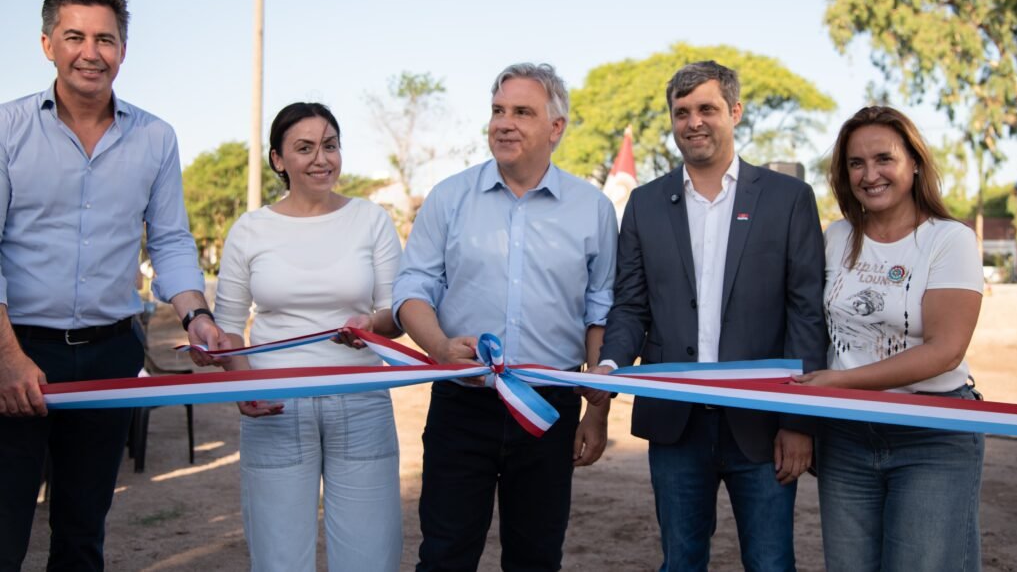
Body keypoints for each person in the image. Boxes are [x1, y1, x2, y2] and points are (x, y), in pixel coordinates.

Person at [0, 0, 225, 571]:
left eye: (106, 39)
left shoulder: (156, 137)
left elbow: (171, 238)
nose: (90, 52)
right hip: (16, 352)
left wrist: (197, 315)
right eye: (75, 36)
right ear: (47, 43)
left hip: (109, 357)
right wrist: (7, 357)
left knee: (82, 530)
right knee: (3, 527)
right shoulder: (5, 129)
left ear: (123, 51)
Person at [585, 60, 828, 571]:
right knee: (680, 562)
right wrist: (609, 366)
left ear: (735, 112)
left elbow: (805, 314)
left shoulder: (789, 200)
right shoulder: (645, 204)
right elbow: (631, 306)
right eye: (681, 112)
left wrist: (799, 420)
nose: (693, 121)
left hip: (762, 424)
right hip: (676, 426)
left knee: (770, 562)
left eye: (707, 109)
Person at [393, 63, 617, 571]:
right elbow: (411, 288)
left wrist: (597, 411)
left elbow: (600, 309)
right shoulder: (449, 198)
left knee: (535, 558)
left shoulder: (593, 209)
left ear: (555, 128)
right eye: (498, 111)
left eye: (522, 112)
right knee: (445, 555)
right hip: (461, 404)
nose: (504, 123)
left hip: (547, 408)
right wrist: (438, 347)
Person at [206, 102, 404, 572]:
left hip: (361, 401)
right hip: (275, 407)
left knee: (369, 557)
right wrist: (244, 387)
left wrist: (370, 328)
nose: (322, 158)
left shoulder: (371, 220)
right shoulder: (250, 230)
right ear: (278, 159)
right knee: (278, 558)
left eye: (330, 145)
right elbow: (230, 327)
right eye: (305, 148)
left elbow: (396, 313)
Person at [793, 106, 984, 571]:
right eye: (856, 163)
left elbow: (945, 350)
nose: (869, 174)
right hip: (846, 435)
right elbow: (807, 322)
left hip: (931, 435)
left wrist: (839, 383)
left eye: (884, 159)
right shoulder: (835, 237)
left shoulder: (949, 239)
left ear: (914, 163)